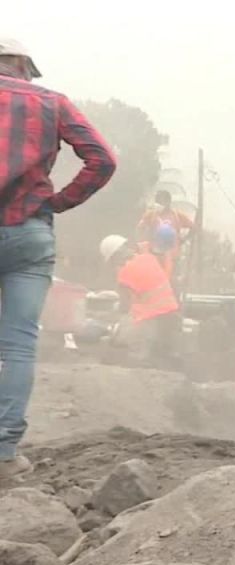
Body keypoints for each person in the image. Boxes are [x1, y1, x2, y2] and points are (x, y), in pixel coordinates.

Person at [0, 38, 116, 478]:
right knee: (18, 343)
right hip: (29, 231)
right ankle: (4, 454)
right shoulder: (52, 102)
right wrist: (59, 202)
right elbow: (102, 160)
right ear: (19, 64)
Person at [102, 235, 182, 368]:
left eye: (112, 260)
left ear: (116, 255)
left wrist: (117, 327)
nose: (114, 264)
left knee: (137, 354)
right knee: (164, 355)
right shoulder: (148, 258)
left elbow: (125, 307)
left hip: (152, 318)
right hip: (172, 313)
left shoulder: (124, 273)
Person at [137, 190, 194, 280]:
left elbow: (194, 227)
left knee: (171, 281)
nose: (158, 204)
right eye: (157, 201)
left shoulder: (177, 215)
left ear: (168, 202)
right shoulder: (151, 214)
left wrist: (183, 240)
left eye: (160, 201)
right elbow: (140, 228)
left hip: (173, 256)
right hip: (155, 255)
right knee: (154, 280)